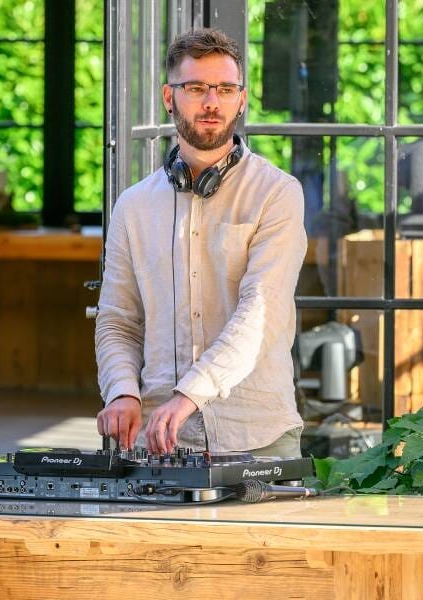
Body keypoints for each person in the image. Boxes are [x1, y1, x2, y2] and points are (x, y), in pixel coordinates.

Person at [95, 28, 307, 457]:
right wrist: (122, 391)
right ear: (169, 97)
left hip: (257, 435)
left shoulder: (277, 193)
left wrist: (190, 393)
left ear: (241, 100)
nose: (212, 102)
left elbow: (260, 314)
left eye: (226, 89)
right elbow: (117, 318)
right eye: (196, 88)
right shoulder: (133, 206)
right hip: (158, 443)